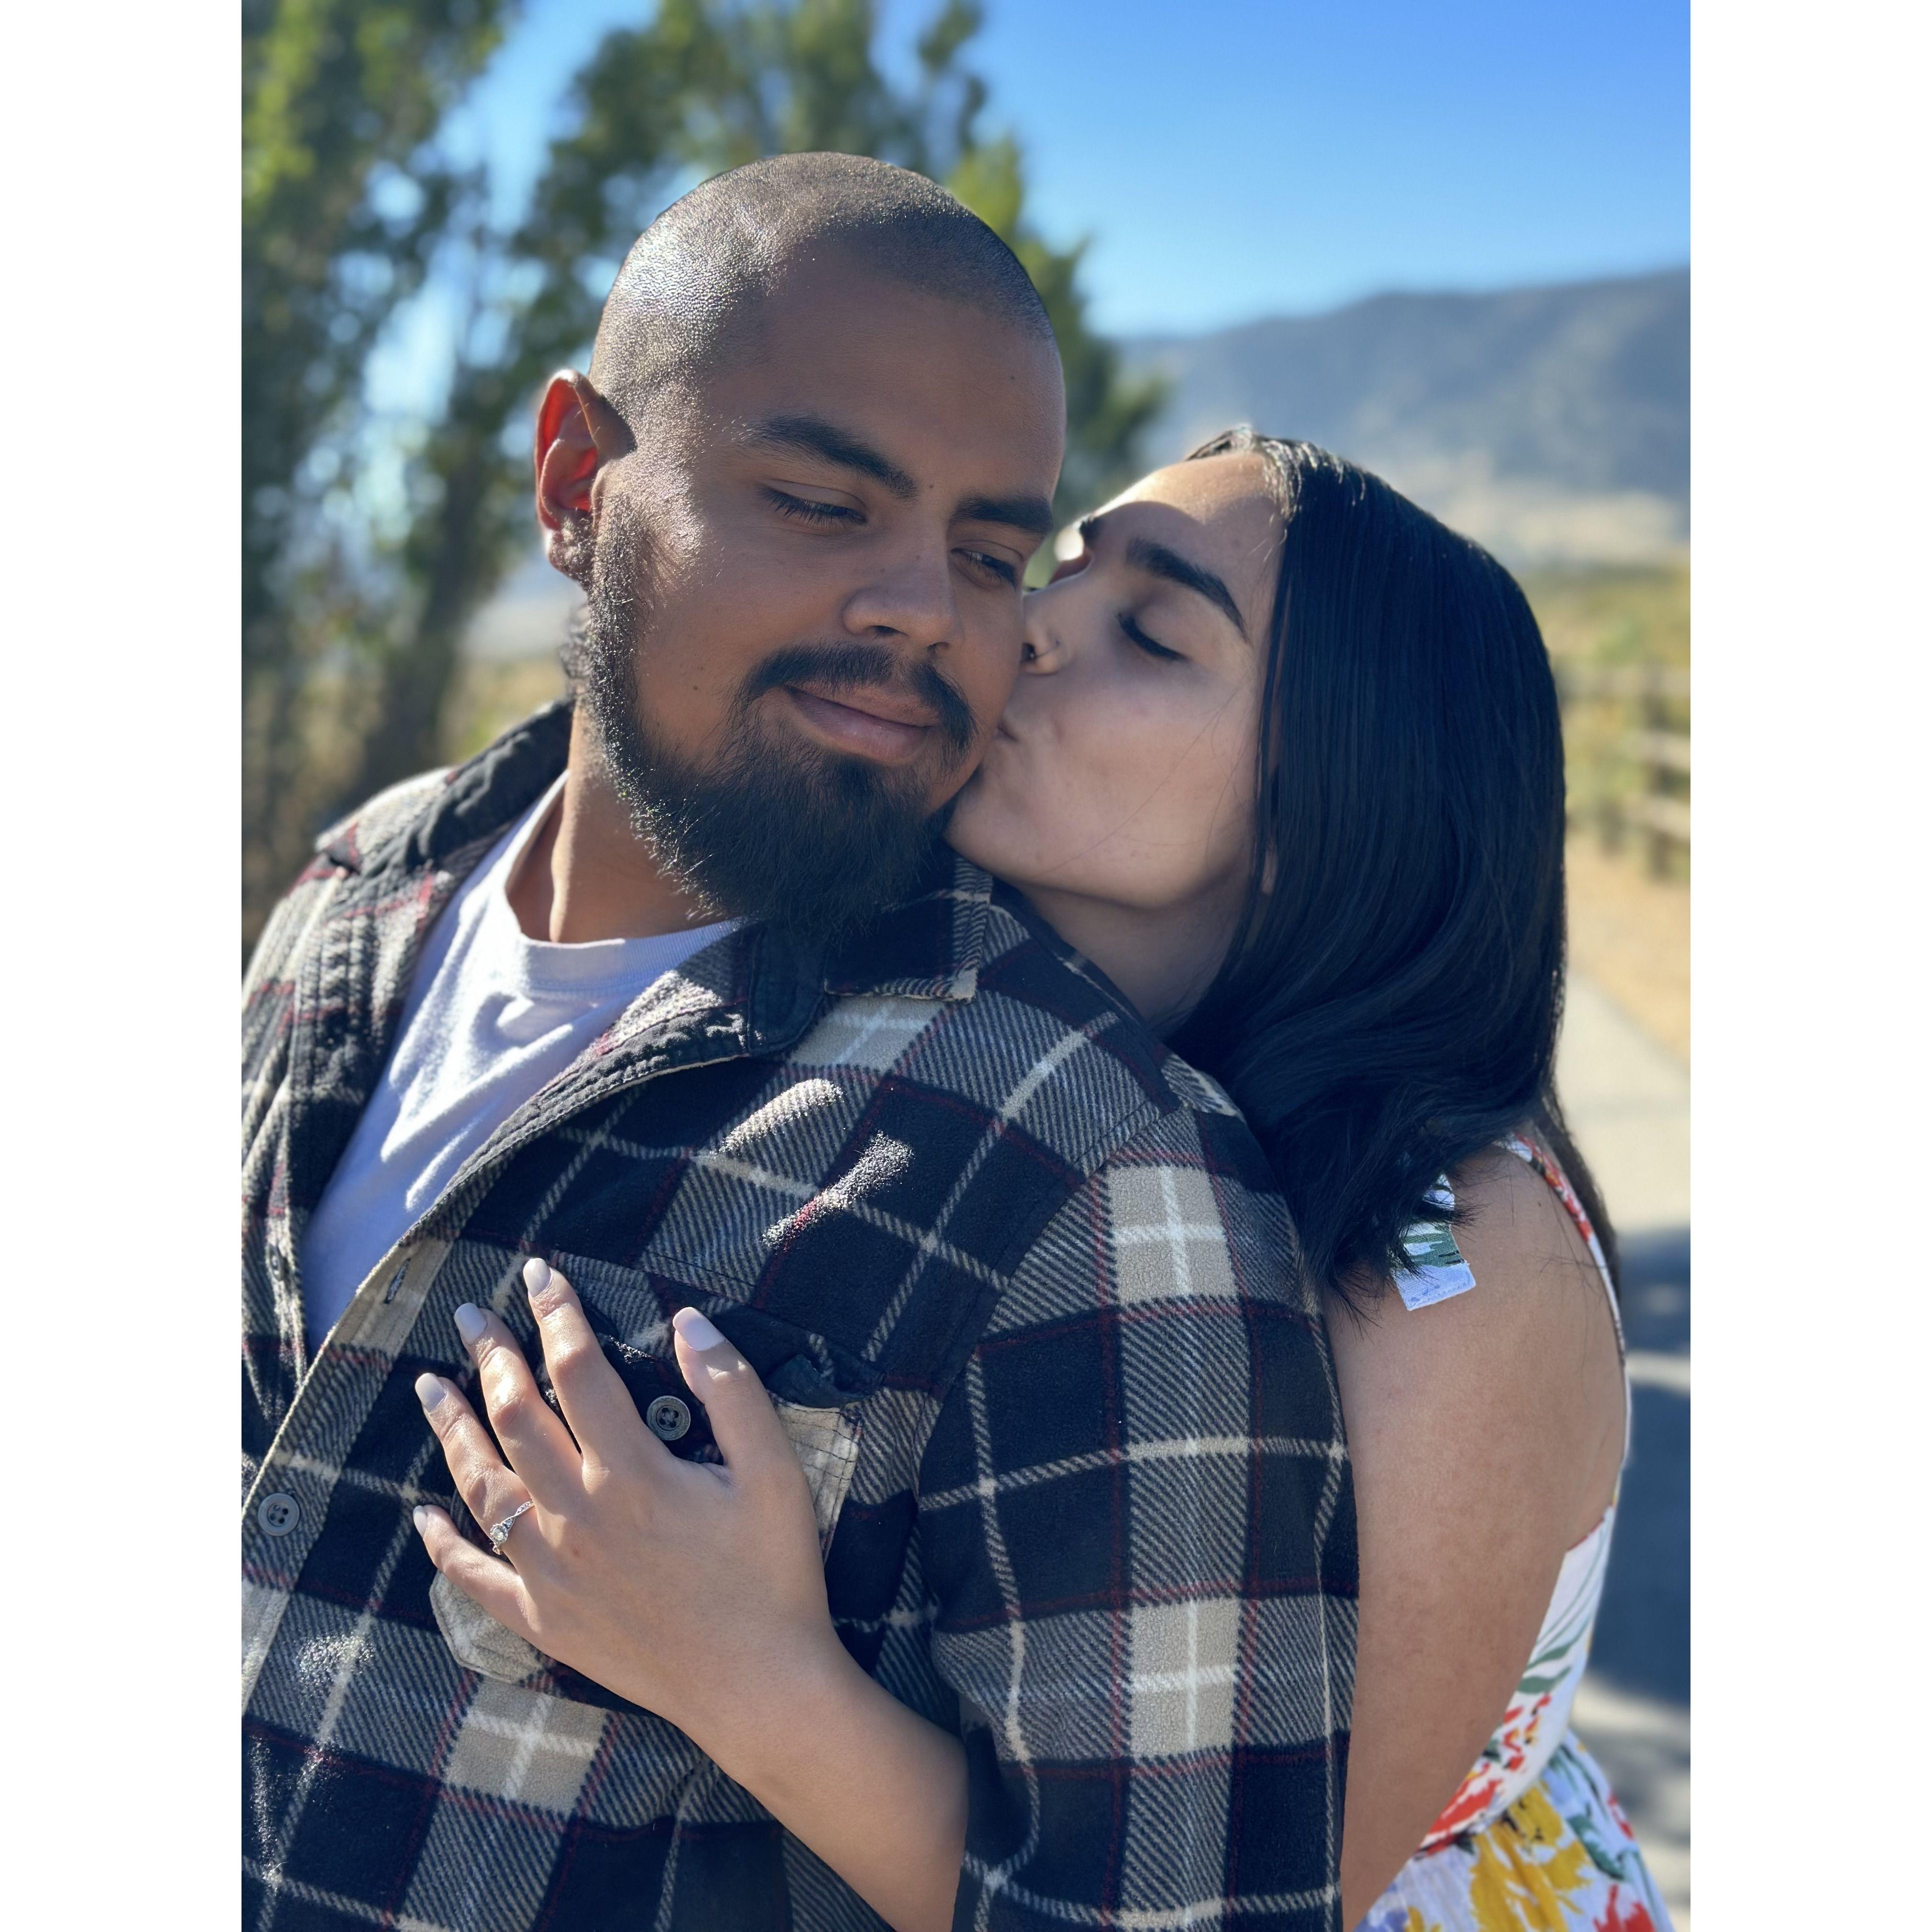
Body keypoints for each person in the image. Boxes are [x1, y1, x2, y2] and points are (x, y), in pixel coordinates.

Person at [242, 158, 1356, 1932]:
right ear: (576, 482)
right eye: (823, 506)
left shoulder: (1089, 1169)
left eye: (989, 555)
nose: (925, 606)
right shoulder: (348, 901)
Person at [414, 431, 1675, 1931]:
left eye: (1152, 631)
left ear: (1335, 803)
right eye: (1060, 572)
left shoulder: (1459, 1265)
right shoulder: (980, 1039)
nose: (1026, 627)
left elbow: (1246, 1898)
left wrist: (738, 1666)